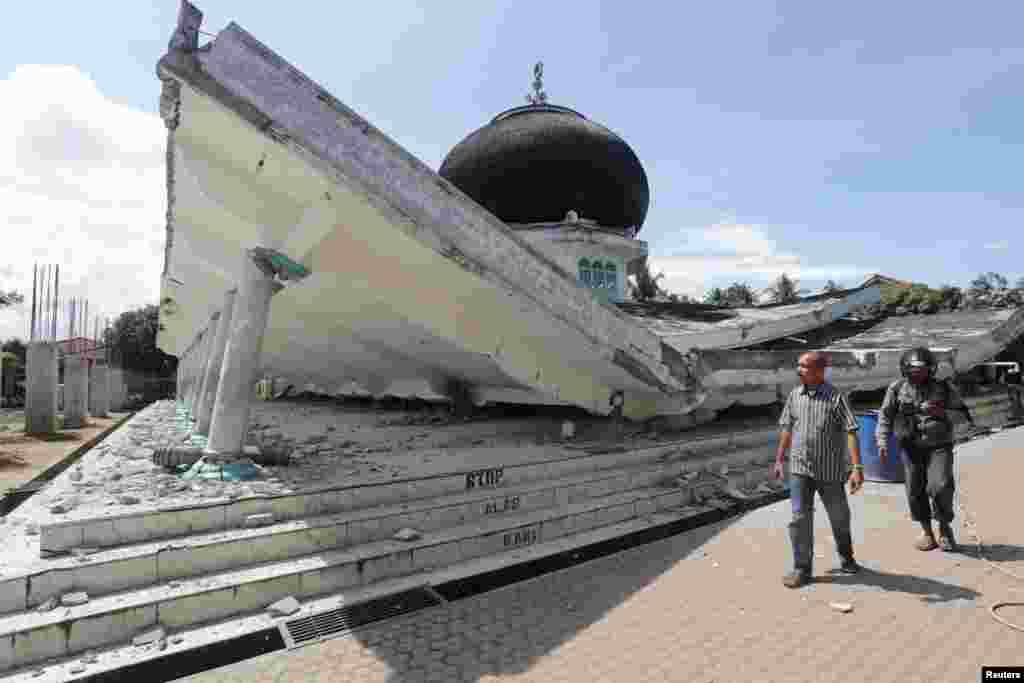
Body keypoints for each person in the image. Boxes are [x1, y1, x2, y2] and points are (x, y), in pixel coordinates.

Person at [772, 351, 863, 588]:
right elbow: (786, 427)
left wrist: (856, 467)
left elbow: (851, 430)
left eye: (804, 366)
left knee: (839, 516)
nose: (798, 370)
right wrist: (779, 460)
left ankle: (846, 556)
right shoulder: (794, 395)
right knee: (799, 518)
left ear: (819, 371)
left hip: (830, 471)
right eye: (798, 366)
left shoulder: (835, 397)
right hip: (800, 468)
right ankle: (802, 568)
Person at [876, 347, 976, 552]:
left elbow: (964, 416)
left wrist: (942, 412)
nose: (919, 373)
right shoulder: (897, 389)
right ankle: (927, 532)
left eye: (924, 369)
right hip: (910, 447)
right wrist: (882, 441)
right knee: (915, 490)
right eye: (914, 369)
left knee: (940, 485)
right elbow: (885, 416)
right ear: (906, 369)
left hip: (939, 446)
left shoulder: (943, 388)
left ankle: (944, 527)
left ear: (931, 369)